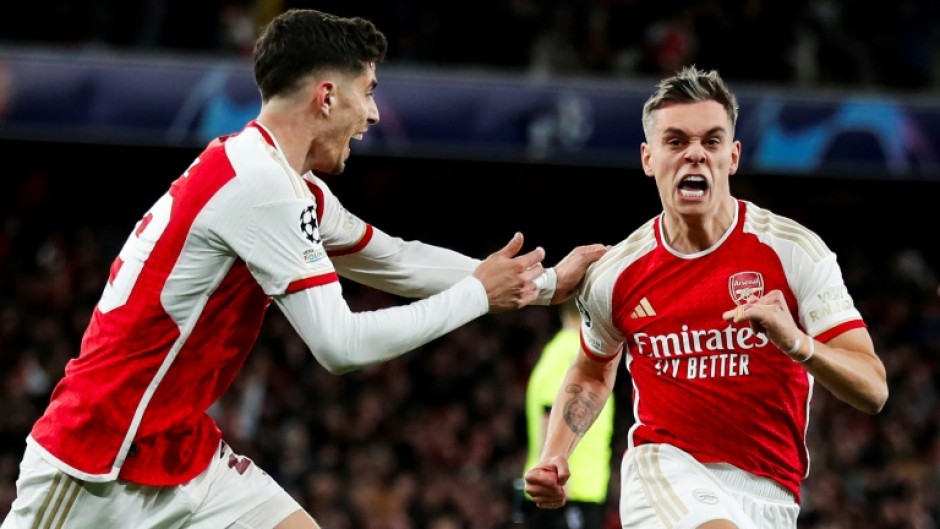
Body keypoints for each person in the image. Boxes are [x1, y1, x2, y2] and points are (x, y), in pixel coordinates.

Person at [1, 9, 607, 529]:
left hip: (179, 447)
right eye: (367, 91)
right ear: (325, 96)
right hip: (96, 460)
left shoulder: (287, 184)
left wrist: (546, 284)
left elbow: (395, 260)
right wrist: (477, 296)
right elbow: (339, 345)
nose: (371, 114)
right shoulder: (259, 187)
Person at [523, 65, 888, 529]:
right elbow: (594, 368)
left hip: (772, 492)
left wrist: (797, 342)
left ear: (732, 156)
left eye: (711, 142)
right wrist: (555, 455)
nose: (695, 154)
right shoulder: (616, 273)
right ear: (648, 158)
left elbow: (873, 389)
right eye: (675, 141)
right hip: (665, 468)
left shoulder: (794, 252)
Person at [522, 298, 615, 528]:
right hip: (568, 492)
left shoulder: (562, 350)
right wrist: (556, 482)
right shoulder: (570, 352)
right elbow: (550, 413)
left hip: (578, 489)